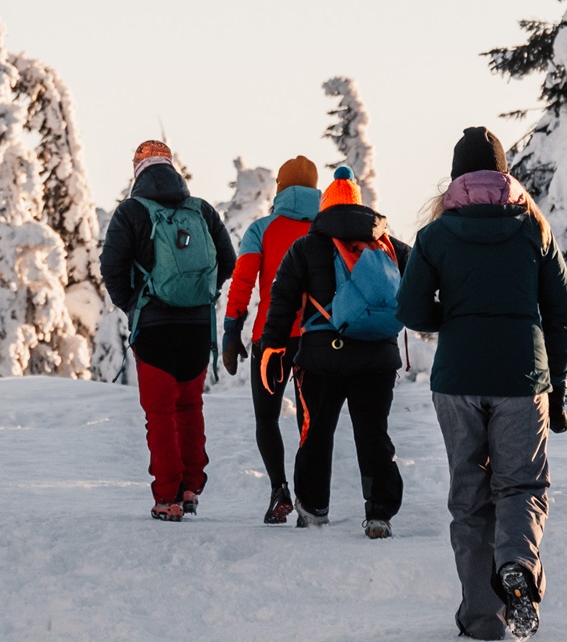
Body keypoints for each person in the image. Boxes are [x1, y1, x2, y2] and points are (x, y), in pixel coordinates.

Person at [398, 127, 567, 641]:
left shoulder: (435, 235)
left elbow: (410, 311)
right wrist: (558, 388)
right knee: (521, 485)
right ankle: (517, 561)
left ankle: (481, 619)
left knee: (470, 496)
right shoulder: (533, 228)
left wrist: (454, 315)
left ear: (456, 177)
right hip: (523, 375)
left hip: (457, 379)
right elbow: (560, 311)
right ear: (504, 174)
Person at [256, 165, 407, 536]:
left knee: (316, 433)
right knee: (373, 433)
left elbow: (282, 302)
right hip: (377, 356)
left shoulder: (307, 247)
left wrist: (273, 347)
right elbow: (420, 286)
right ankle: (379, 513)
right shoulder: (389, 244)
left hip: (322, 357)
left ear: (325, 207)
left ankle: (313, 508)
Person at [101, 139, 236, 522]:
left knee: (159, 413)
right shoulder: (202, 210)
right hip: (196, 326)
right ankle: (190, 486)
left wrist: (134, 303)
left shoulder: (131, 212)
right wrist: (201, 294)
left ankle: (167, 497)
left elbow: (111, 268)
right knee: (190, 405)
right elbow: (228, 261)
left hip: (155, 326)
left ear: (137, 170)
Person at [220, 156, 321, 524]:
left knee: (267, 416)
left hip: (271, 338)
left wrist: (232, 329)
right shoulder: (328, 230)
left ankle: (280, 490)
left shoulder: (261, 229)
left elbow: (243, 282)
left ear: (280, 189)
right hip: (316, 339)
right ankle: (309, 500)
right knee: (309, 421)